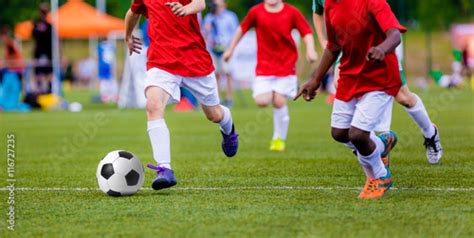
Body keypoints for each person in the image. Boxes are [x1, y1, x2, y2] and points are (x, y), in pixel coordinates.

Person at [296, 0, 406, 199]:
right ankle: (380, 146)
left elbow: (395, 34)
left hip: (379, 76)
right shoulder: (329, 4)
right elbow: (333, 47)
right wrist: (315, 79)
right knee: (339, 133)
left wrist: (382, 49)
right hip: (350, 76)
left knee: (357, 135)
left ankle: (380, 177)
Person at [125, 0, 239, 190]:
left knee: (214, 114)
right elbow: (132, 13)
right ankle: (164, 169)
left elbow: (200, 3)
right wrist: (127, 35)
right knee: (153, 106)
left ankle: (228, 130)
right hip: (161, 63)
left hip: (195, 61)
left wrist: (186, 9)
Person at [311, 0, 443, 164]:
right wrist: (324, 40)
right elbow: (318, 11)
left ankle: (430, 133)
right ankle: (375, 147)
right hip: (346, 48)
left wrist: (382, 47)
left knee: (403, 97)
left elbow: (387, 24)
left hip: (377, 44)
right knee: (340, 88)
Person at [224, 0, 317, 152]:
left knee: (279, 101)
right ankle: (274, 97)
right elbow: (242, 29)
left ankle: (279, 139)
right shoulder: (256, 11)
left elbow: (306, 32)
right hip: (264, 66)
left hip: (286, 65)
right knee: (261, 101)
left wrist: (311, 50)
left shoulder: (291, 12)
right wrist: (230, 50)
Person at [203, 0, 239, 107]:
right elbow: (205, 34)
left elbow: (235, 33)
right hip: (213, 49)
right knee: (216, 74)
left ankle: (229, 98)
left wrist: (230, 49)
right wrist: (206, 30)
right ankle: (217, 98)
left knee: (228, 73)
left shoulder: (230, 17)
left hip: (226, 49)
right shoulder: (209, 17)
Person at [32, 3, 53, 94]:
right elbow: (33, 35)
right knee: (38, 73)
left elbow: (54, 40)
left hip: (48, 53)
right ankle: (39, 91)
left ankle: (50, 91)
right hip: (39, 53)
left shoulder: (50, 26)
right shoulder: (36, 24)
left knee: (49, 73)